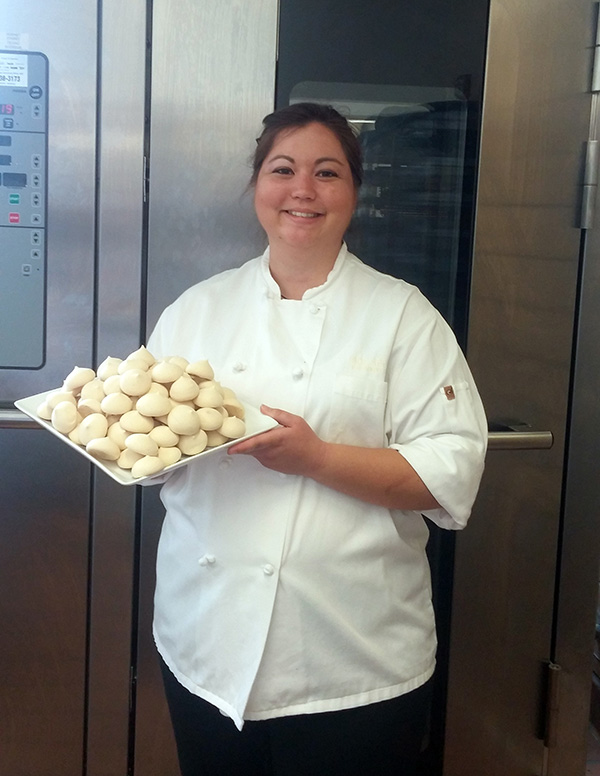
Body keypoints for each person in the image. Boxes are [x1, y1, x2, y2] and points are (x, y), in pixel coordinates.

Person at [145, 102, 488, 775]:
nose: (302, 190)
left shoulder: (403, 318)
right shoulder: (197, 310)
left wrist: (317, 458)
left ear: (354, 194)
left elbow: (450, 473)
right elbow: (150, 451)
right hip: (206, 643)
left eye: (327, 172)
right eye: (283, 169)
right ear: (257, 188)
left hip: (351, 657)